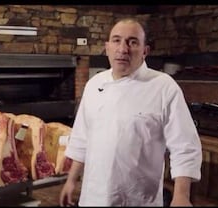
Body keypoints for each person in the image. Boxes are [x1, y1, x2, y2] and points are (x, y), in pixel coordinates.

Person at [59, 17, 202, 206]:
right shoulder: (94, 84)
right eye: (117, 40)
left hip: (139, 199)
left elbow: (184, 146)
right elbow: (82, 138)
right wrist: (71, 181)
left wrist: (181, 196)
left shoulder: (164, 87)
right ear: (107, 47)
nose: (123, 49)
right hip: (94, 195)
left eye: (132, 42)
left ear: (145, 51)